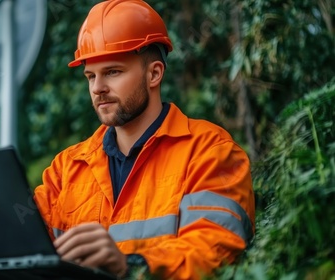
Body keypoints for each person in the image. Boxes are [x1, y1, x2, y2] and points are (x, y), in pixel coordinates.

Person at [33, 0, 255, 279]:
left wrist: (132, 266)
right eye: (90, 76)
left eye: (113, 72)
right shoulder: (66, 169)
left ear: (154, 74)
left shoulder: (210, 151)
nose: (97, 88)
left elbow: (214, 248)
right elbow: (18, 247)